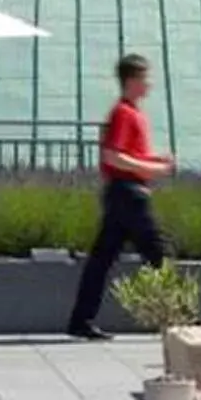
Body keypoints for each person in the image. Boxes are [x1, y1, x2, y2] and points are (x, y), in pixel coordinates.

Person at [67, 53, 173, 340]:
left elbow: (127, 154)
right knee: (158, 253)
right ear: (132, 80)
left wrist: (154, 159)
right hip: (129, 195)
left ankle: (80, 320)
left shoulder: (131, 113)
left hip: (122, 194)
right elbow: (113, 156)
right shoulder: (123, 114)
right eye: (145, 78)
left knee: (101, 260)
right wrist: (153, 168)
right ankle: (173, 318)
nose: (149, 84)